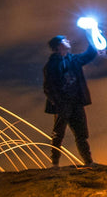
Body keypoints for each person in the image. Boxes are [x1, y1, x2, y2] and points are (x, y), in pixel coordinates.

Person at [43, 32, 100, 166]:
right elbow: (48, 87)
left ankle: (88, 162)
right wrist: (58, 103)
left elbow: (90, 54)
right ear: (58, 46)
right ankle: (55, 163)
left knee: (81, 134)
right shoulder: (50, 66)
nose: (68, 40)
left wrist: (91, 34)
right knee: (58, 135)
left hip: (76, 103)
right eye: (64, 40)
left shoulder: (74, 60)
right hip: (62, 105)